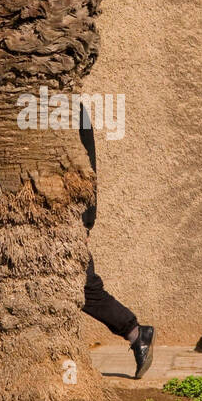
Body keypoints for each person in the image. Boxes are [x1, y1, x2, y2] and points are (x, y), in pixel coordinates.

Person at [79, 106, 154, 378]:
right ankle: (137, 334)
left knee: (84, 287)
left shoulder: (66, 108)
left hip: (64, 222)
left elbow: (88, 168)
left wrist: (86, 220)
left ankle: (136, 333)